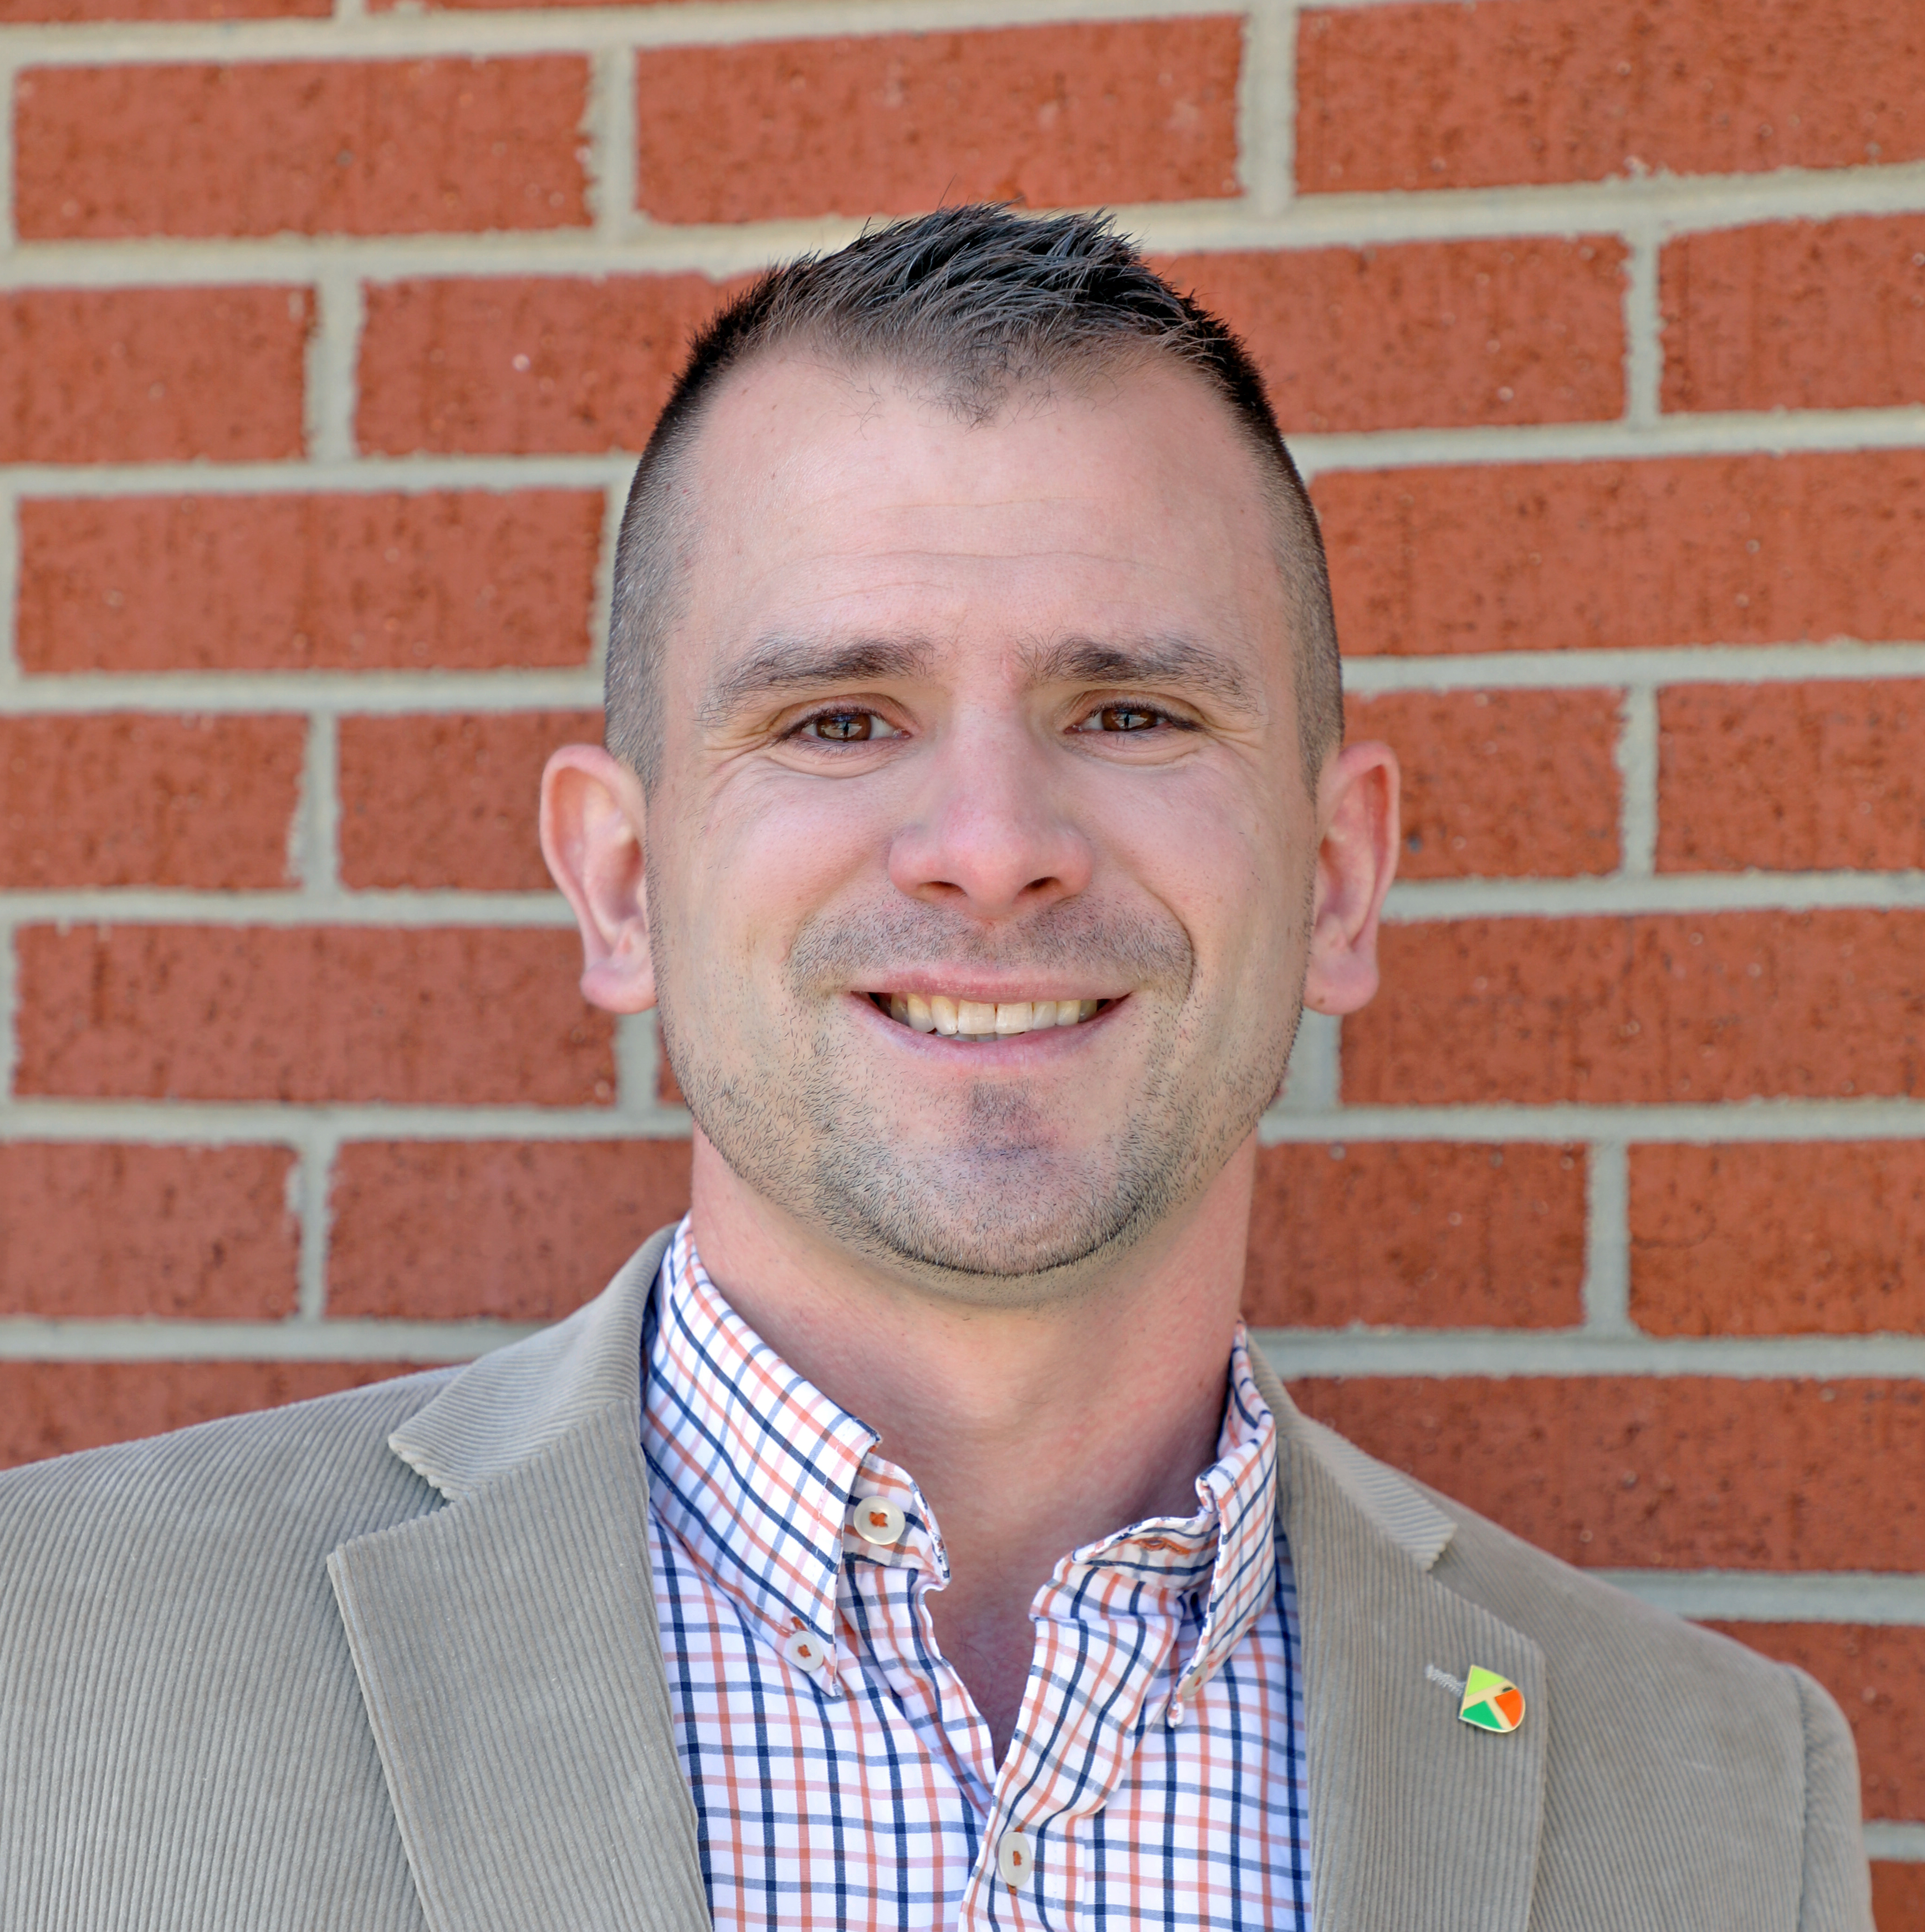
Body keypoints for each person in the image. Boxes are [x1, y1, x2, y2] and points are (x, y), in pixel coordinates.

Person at [0, 206, 1870, 1931]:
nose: (988, 841)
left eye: (1128, 710)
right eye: (837, 717)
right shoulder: (59, 1656)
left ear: (1332, 876)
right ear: (626, 882)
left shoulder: (1713, 1801)